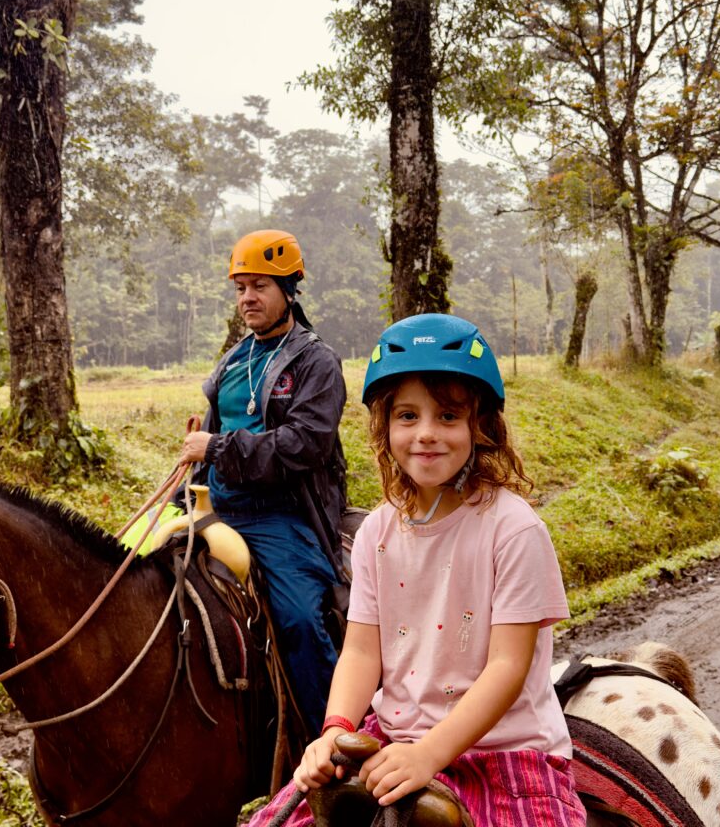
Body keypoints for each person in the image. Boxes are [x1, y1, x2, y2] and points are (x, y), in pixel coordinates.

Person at [251, 313, 586, 827]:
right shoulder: (376, 532)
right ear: (385, 427)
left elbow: (507, 667)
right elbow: (362, 651)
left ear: (480, 425)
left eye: (448, 416)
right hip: (392, 741)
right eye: (408, 416)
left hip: (503, 750)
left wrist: (429, 754)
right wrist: (334, 731)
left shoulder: (514, 530)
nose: (426, 434)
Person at [178, 229, 347, 732]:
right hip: (216, 505)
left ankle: (332, 741)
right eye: (240, 288)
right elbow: (214, 432)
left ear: (290, 290)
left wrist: (217, 448)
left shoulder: (316, 361)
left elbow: (304, 444)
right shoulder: (234, 359)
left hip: (280, 515)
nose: (247, 298)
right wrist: (191, 481)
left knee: (299, 621)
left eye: (260, 286)